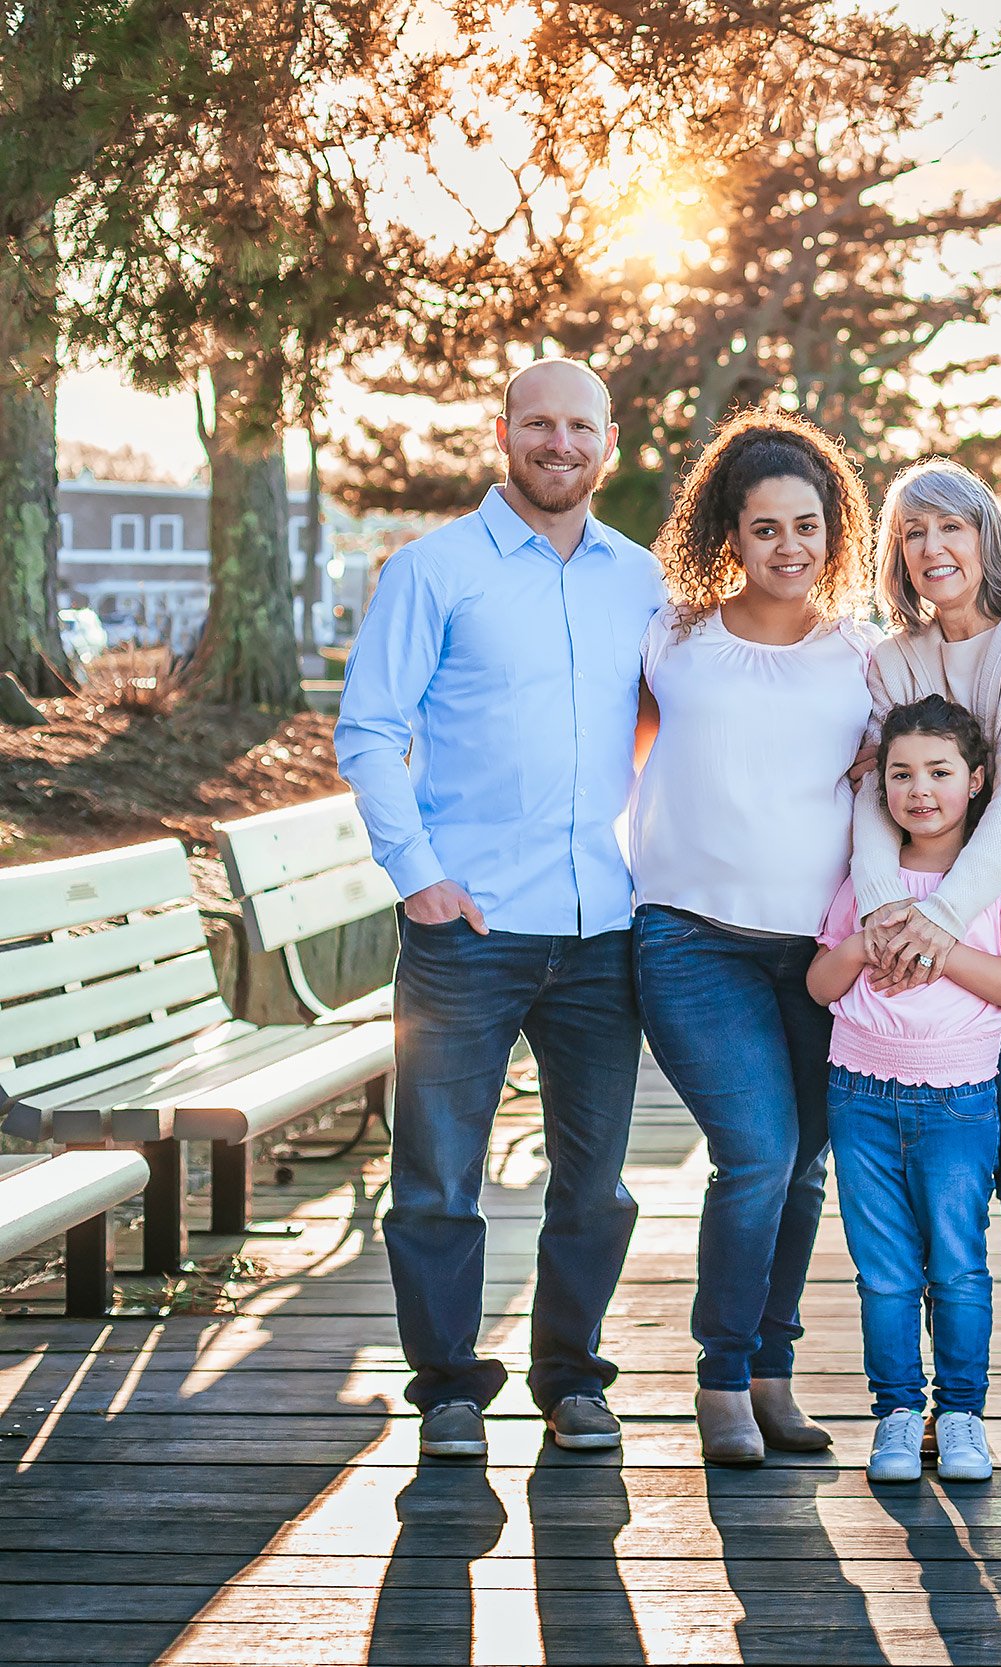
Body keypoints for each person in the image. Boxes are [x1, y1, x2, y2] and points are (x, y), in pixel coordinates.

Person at [337, 358, 662, 1461]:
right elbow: (370, 730)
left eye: (580, 425)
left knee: (597, 1181)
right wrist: (416, 870)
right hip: (464, 929)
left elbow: (665, 722)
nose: (558, 443)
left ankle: (573, 1377)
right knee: (435, 1174)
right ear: (504, 432)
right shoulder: (434, 569)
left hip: (600, 926)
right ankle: (448, 1388)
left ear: (608, 438)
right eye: (539, 423)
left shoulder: (641, 578)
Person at [626, 411, 876, 1466]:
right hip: (692, 940)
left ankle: (772, 1370)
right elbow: (611, 748)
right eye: (763, 527)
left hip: (817, 956)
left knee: (804, 1164)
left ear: (834, 534)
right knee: (758, 1153)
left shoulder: (865, 657)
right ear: (728, 534)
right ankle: (720, 1373)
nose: (786, 546)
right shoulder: (673, 639)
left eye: (806, 526)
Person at [848, 459, 1001, 1483]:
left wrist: (939, 921)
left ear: (986, 535)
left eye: (951, 528)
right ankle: (922, 1400)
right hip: (910, 981)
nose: (933, 550)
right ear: (894, 554)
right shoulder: (893, 659)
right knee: (926, 1207)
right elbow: (867, 791)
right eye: (912, 534)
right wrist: (884, 920)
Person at [809, 697, 1001, 1486]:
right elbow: (821, 984)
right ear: (879, 788)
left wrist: (939, 949)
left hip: (957, 1101)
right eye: (901, 774)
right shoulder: (867, 882)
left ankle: (960, 1413)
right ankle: (893, 1412)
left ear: (977, 780)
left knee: (955, 1263)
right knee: (883, 1269)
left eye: (940, 772)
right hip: (859, 1095)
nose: (921, 790)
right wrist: (860, 944)